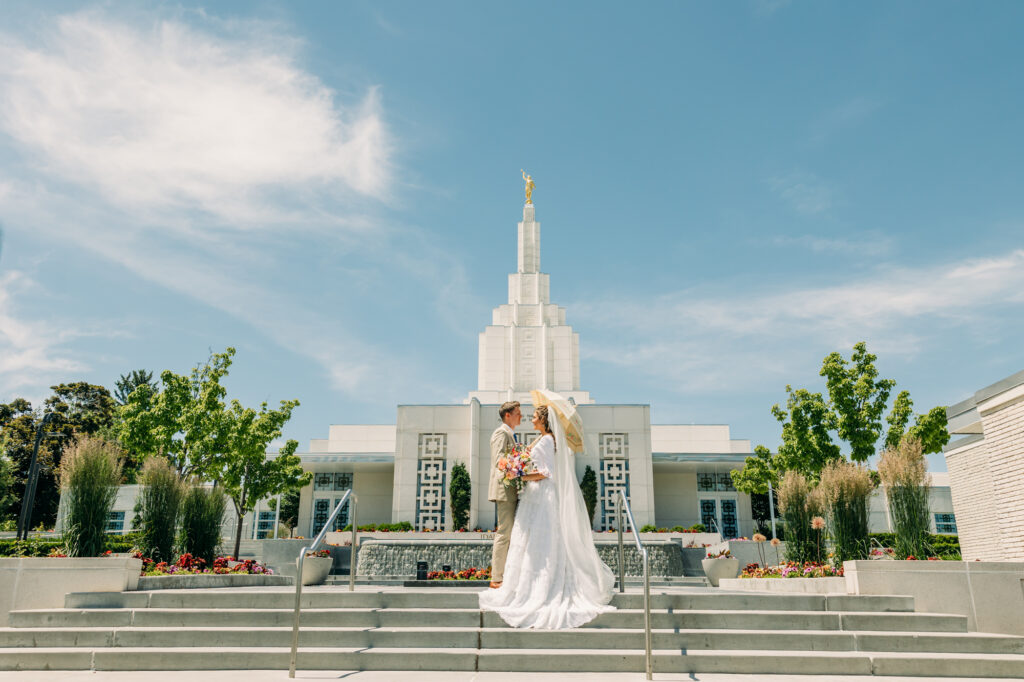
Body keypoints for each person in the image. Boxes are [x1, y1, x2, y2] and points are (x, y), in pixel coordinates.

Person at [479, 400, 616, 628]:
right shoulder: (546, 440)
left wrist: (519, 476)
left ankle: (525, 584)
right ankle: (517, 581)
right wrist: (519, 465)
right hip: (537, 495)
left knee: (535, 544)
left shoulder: (545, 441)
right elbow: (510, 461)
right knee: (535, 543)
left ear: (543, 420)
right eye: (524, 414)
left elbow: (544, 472)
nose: (529, 418)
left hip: (540, 494)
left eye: (533, 416)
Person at [488, 400, 521, 588]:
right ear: (507, 415)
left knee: (510, 533)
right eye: (518, 413)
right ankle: (497, 578)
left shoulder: (511, 434)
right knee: (504, 533)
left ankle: (505, 575)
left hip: (511, 489)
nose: (521, 416)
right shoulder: (501, 433)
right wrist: (519, 468)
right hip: (504, 489)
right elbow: (499, 459)